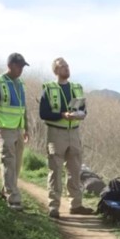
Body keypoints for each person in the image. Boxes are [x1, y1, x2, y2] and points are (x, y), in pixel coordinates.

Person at [39, 57, 95, 218]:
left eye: (67, 66)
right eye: (63, 67)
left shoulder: (77, 88)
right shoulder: (49, 89)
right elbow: (43, 114)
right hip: (56, 133)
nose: (66, 69)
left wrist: (80, 115)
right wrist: (62, 115)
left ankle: (76, 205)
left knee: (75, 170)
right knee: (55, 170)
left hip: (74, 132)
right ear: (56, 71)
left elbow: (84, 109)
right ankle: (53, 207)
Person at [0, 53, 30, 211]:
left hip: (18, 129)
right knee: (8, 162)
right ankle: (13, 199)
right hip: (4, 130)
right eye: (19, 66)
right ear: (10, 65)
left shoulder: (21, 84)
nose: (21, 70)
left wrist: (26, 129)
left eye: (23, 67)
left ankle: (6, 190)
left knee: (16, 165)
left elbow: (23, 109)